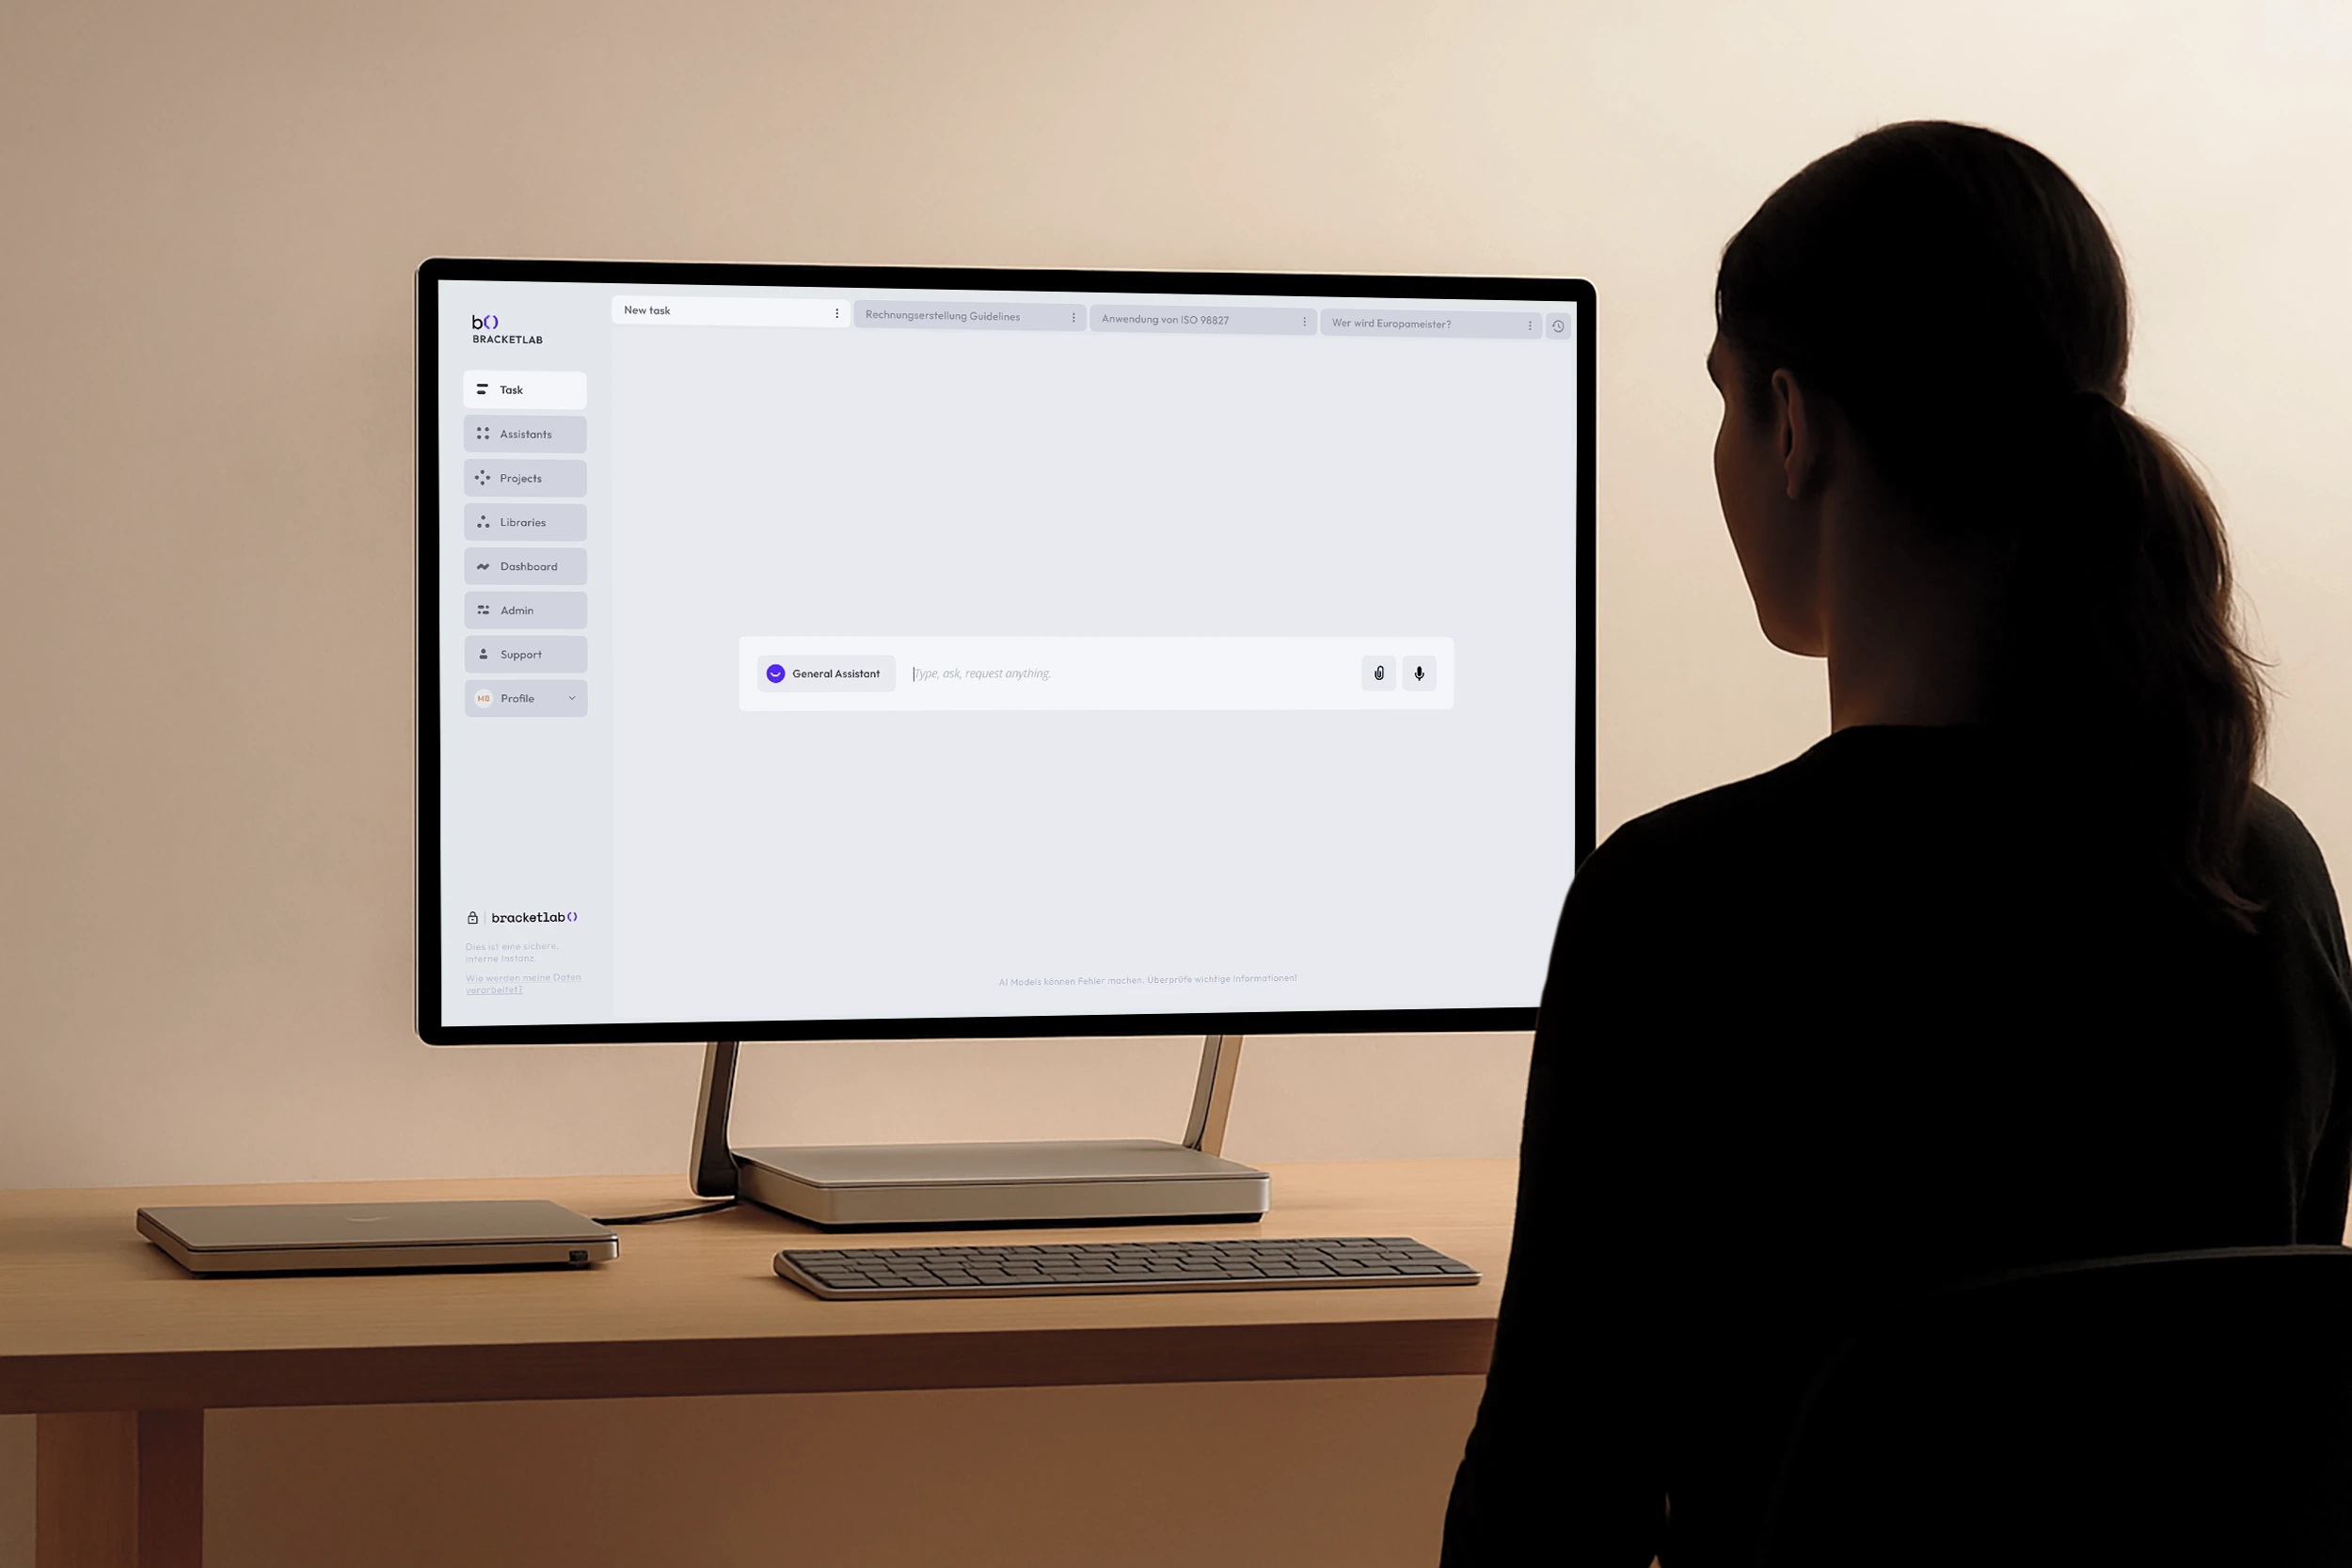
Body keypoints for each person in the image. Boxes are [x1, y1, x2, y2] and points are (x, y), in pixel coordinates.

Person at [1439, 120, 2352, 1567]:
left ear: (1792, 426)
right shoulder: (2265, 876)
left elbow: (1548, 1515)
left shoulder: (1678, 909)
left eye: (1725, 399)